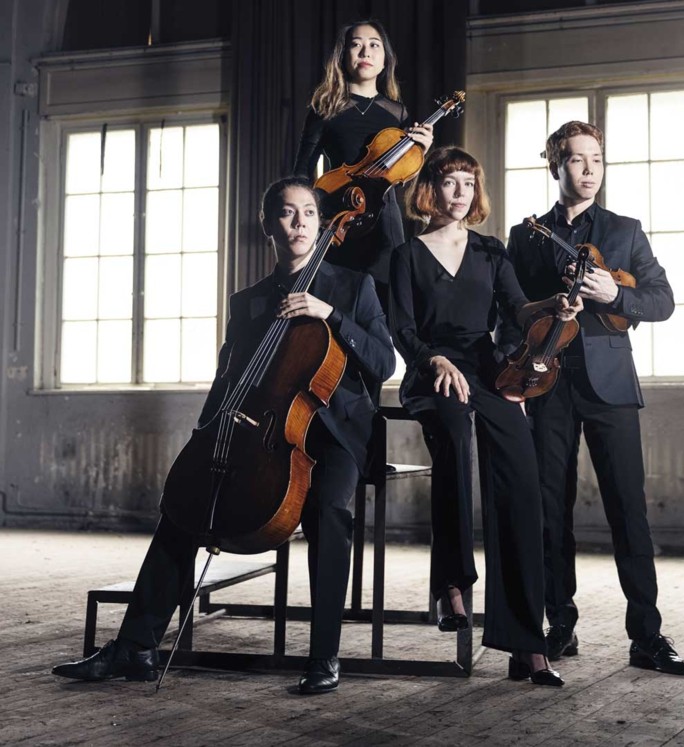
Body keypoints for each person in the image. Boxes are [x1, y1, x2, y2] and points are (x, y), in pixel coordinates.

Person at [51, 176, 396, 694]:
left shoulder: (352, 287)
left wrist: (330, 315)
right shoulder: (248, 302)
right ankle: (135, 647)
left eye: (308, 212)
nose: (299, 222)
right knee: (186, 503)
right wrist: (207, 436)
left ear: (321, 222)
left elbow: (384, 362)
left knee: (328, 509)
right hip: (261, 432)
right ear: (268, 225)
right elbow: (228, 377)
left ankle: (324, 655)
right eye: (286, 213)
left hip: (334, 433)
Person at [389, 146, 582, 686]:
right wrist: (433, 360)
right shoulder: (406, 255)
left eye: (469, 184)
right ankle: (452, 583)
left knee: (522, 480)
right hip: (433, 370)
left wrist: (553, 307)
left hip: (489, 370)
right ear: (430, 189)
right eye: (450, 182)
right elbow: (402, 329)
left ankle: (526, 644)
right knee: (454, 435)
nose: (461, 193)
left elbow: (518, 309)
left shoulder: (491, 251)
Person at [506, 121, 684, 676]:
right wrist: (534, 334)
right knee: (549, 510)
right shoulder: (527, 235)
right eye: (576, 159)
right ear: (555, 166)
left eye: (597, 159)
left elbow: (662, 301)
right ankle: (559, 626)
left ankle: (647, 636)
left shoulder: (624, 231)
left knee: (627, 509)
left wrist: (615, 294)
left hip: (610, 386)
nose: (589, 170)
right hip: (547, 382)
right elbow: (508, 313)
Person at [293, 19, 433, 311]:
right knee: (338, 307)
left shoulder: (398, 113)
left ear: (384, 60)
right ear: (343, 56)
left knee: (384, 310)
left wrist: (423, 150)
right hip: (338, 218)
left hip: (385, 223)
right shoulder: (325, 108)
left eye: (374, 45)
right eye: (356, 45)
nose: (365, 52)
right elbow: (302, 172)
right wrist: (314, 216)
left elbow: (403, 178)